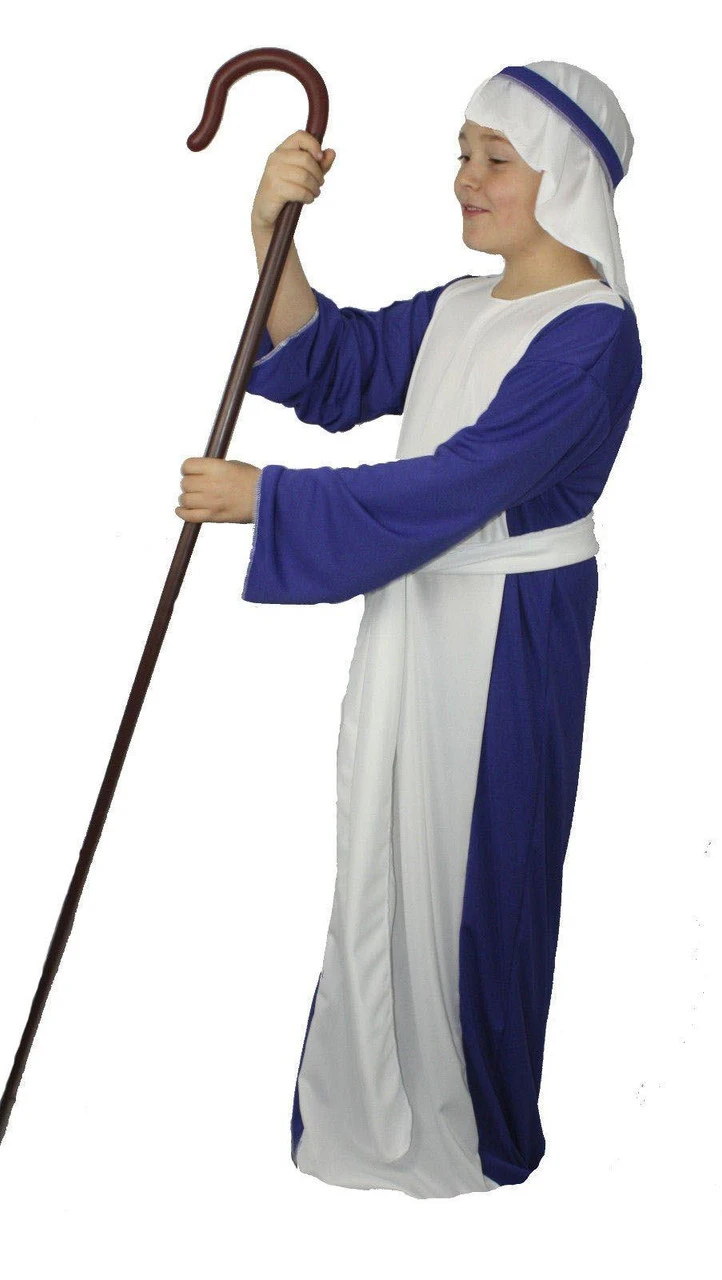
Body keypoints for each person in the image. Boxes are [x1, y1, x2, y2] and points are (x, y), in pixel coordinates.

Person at [175, 61, 643, 1197]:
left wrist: (268, 499)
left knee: (483, 865)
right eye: (461, 154)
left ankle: (475, 1124)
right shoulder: (462, 307)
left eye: (495, 159)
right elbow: (336, 366)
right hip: (421, 614)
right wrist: (269, 231)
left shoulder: (590, 338)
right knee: (389, 853)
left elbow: (460, 482)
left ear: (564, 177)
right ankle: (377, 1099)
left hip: (509, 635)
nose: (465, 179)